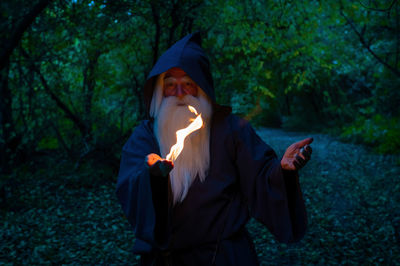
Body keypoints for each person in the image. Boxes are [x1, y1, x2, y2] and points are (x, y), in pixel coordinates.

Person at [116, 32, 313, 266]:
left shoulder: (232, 130)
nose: (179, 93)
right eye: (170, 85)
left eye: (188, 84)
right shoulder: (145, 136)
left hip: (224, 257)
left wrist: (282, 171)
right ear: (160, 91)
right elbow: (130, 186)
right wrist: (153, 178)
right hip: (165, 260)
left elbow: (262, 176)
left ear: (202, 87)